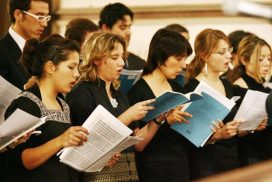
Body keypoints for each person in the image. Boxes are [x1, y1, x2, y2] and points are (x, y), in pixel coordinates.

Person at [66, 32, 154, 182]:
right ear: (97, 59)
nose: (122, 63)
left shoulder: (120, 95)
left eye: (122, 56)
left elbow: (138, 144)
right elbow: (88, 144)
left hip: (129, 172)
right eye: (115, 57)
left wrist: (158, 119)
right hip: (99, 176)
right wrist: (128, 116)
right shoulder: (82, 92)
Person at [3, 34, 89, 182]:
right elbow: (21, 160)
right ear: (50, 67)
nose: (77, 74)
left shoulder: (64, 105)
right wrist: (60, 141)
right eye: (71, 67)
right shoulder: (25, 104)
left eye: (78, 67)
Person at [127, 28, 193, 182]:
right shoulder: (138, 92)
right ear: (160, 56)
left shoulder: (177, 87)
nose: (183, 65)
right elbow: (137, 144)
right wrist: (165, 121)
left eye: (185, 59)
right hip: (154, 167)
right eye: (178, 58)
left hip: (181, 163)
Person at [184, 28, 246, 180]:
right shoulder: (193, 88)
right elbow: (188, 138)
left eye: (229, 51)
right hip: (206, 164)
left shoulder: (228, 85)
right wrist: (217, 135)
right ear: (205, 55)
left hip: (232, 159)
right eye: (222, 52)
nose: (228, 56)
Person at [227, 34, 271, 166]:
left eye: (269, 58)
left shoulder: (265, 84)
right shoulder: (240, 85)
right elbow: (237, 130)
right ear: (245, 60)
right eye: (261, 59)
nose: (267, 63)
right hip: (252, 155)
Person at [0, 0, 50, 90]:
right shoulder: (2, 51)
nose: (45, 24)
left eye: (46, 17)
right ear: (18, 14)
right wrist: (26, 87)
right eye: (39, 16)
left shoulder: (44, 51)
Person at [99, 2, 145, 70]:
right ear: (105, 28)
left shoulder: (140, 64)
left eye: (129, 27)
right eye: (123, 28)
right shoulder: (94, 61)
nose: (129, 32)